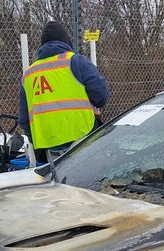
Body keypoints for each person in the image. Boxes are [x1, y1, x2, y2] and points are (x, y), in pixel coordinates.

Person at [18, 21, 109, 162]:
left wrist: (38, 143)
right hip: (84, 138)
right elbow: (101, 96)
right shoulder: (77, 62)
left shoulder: (29, 75)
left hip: (48, 150)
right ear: (66, 41)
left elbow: (25, 120)